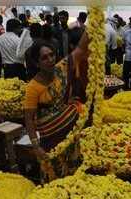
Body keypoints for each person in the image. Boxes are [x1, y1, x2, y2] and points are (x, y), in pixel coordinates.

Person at [23, 32, 89, 173]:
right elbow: (28, 119)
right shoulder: (32, 88)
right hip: (51, 140)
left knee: (74, 173)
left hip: (71, 135)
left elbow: (81, 49)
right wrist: (36, 146)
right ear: (36, 63)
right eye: (44, 58)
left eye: (52, 55)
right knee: (55, 175)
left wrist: (95, 16)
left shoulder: (61, 68)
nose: (50, 59)